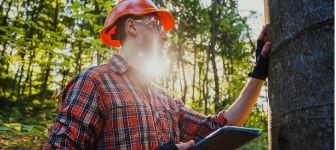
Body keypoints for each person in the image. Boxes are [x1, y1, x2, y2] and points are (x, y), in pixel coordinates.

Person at [44, 0, 271, 149]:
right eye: (155, 25)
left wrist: (259, 70)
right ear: (132, 27)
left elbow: (220, 128)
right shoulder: (95, 82)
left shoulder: (165, 100)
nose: (165, 36)